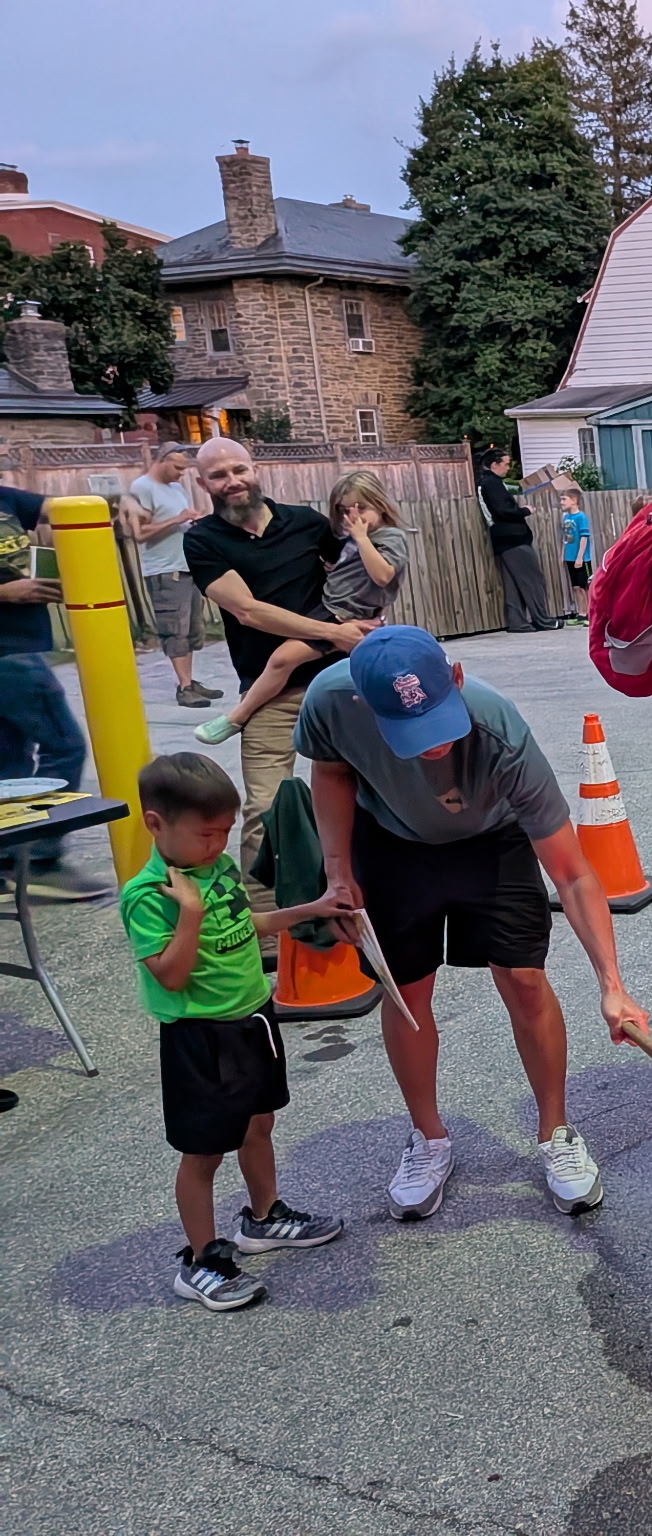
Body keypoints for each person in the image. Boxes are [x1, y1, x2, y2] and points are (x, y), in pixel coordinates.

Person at [303, 626, 650, 1218]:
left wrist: (612, 986)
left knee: (523, 979)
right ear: (364, 703)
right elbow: (332, 773)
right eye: (410, 734)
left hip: (494, 840)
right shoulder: (331, 700)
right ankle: (428, 1138)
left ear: (456, 679)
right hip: (390, 842)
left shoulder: (500, 729)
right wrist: (337, 869)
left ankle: (556, 1133)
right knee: (405, 989)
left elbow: (572, 873)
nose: (431, 747)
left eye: (437, 723)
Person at [121, 753, 349, 1310]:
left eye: (224, 832)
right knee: (203, 1153)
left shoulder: (215, 870)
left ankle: (265, 1215)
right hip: (200, 1035)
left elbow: (247, 924)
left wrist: (310, 909)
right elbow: (171, 975)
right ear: (156, 824)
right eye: (206, 834)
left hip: (253, 1017)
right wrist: (190, 914)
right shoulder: (150, 896)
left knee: (259, 1123)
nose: (218, 845)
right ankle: (202, 1260)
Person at [183, 438, 377, 920]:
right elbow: (247, 611)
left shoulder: (307, 522)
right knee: (264, 809)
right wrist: (333, 631)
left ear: (255, 468)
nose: (232, 481)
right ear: (203, 483)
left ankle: (374, 892)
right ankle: (265, 922)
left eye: (238, 469)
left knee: (373, 786)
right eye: (219, 475)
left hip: (338, 682)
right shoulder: (203, 539)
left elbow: (356, 573)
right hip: (270, 693)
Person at [194, 470, 409, 745]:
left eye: (361, 508)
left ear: (380, 503)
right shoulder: (351, 538)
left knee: (283, 659)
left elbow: (383, 575)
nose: (353, 517)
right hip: (330, 608)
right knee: (285, 661)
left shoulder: (389, 537)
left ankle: (236, 718)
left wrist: (363, 539)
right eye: (344, 510)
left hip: (346, 614)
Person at [0, 483, 103, 898]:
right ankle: (41, 858)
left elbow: (55, 508)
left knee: (9, 760)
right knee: (65, 745)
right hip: (8, 653)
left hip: (21, 644)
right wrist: (5, 592)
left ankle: (9, 860)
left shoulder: (5, 498)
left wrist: (122, 502)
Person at [122, 445, 220, 709]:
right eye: (177, 468)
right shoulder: (141, 488)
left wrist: (192, 522)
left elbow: (180, 521)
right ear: (161, 461)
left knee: (191, 630)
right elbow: (139, 533)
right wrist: (177, 519)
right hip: (164, 570)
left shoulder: (176, 488)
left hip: (186, 566)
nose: (181, 474)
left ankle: (189, 681)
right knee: (174, 631)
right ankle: (184, 687)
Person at [478, 450, 557, 633]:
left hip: (502, 539)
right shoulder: (492, 483)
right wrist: (525, 511)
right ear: (494, 465)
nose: (508, 467)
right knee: (532, 580)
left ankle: (518, 622)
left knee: (513, 583)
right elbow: (502, 510)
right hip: (513, 538)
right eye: (505, 464)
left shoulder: (485, 483)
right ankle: (543, 620)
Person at [560, 486, 592, 626]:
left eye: (564, 499)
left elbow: (584, 537)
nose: (561, 502)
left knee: (585, 586)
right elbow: (566, 537)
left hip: (581, 558)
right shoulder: (566, 517)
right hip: (570, 557)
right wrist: (563, 554)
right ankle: (581, 613)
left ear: (574, 500)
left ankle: (590, 613)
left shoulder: (581, 517)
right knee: (576, 587)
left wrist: (580, 557)